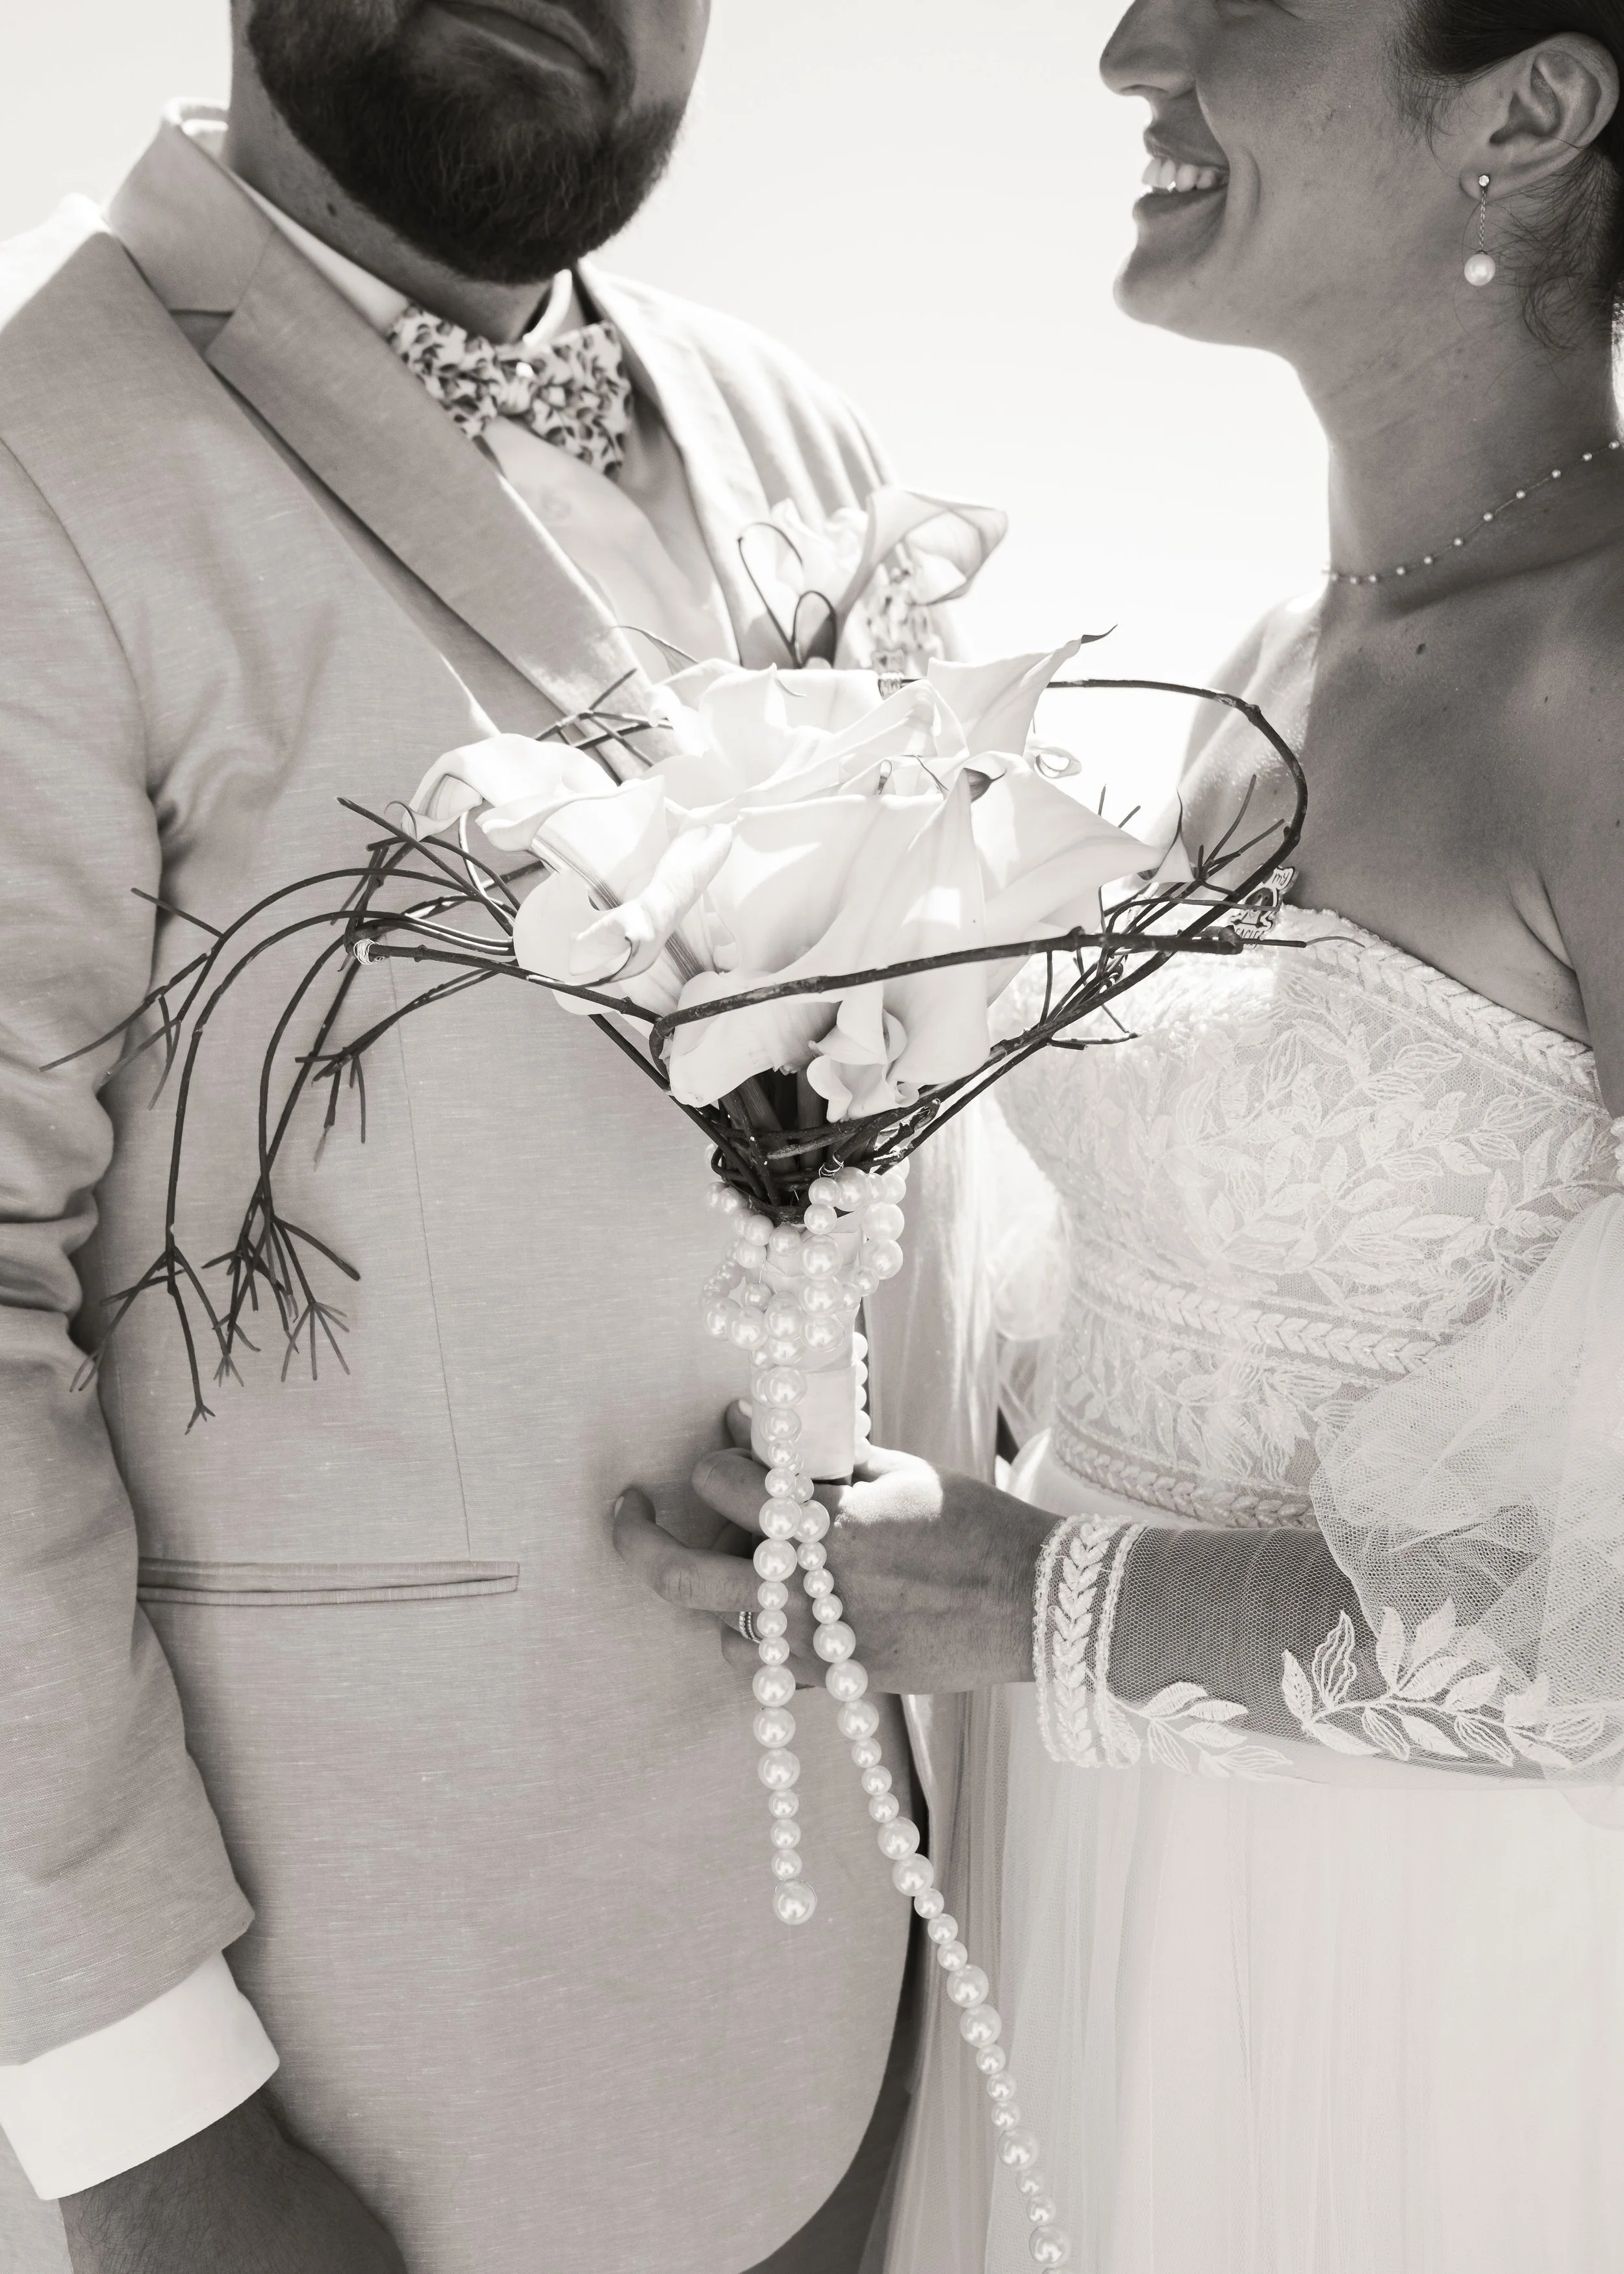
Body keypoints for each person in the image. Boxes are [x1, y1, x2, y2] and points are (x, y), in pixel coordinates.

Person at [620, 1, 1624, 2267]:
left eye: (1233, 3)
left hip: (1435, 1991)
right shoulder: (1263, 657)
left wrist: (1038, 1594)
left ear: (1530, 111)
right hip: (1085, 1892)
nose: (1124, 48)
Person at [0, 5, 1000, 2271]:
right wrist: (142, 2118)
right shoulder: (30, 437)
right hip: (345, 2063)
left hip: (837, 1983)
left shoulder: (797, 431)